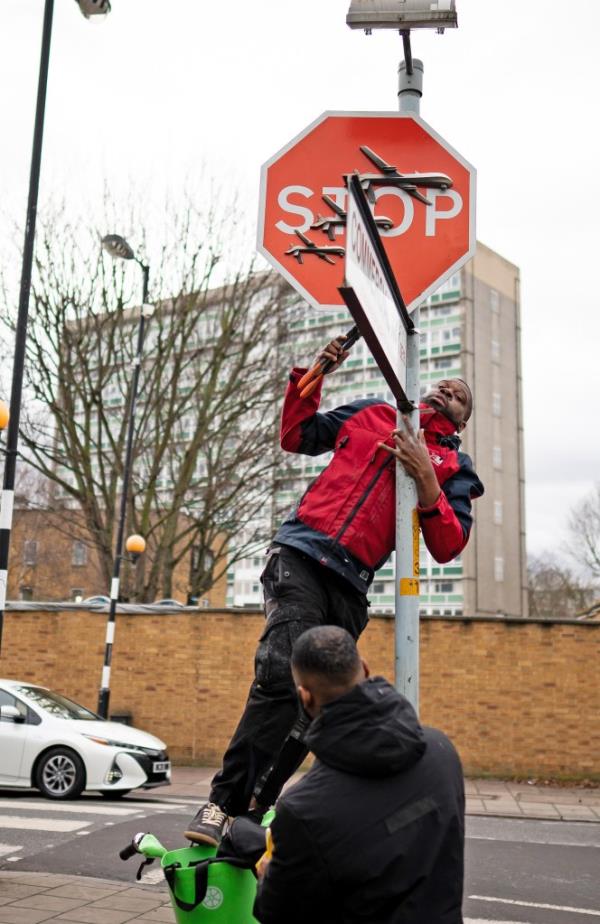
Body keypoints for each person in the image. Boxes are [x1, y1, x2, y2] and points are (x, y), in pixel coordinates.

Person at [184, 336, 483, 845]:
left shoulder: (456, 466)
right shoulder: (372, 414)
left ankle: (258, 806)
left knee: (316, 703)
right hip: (300, 553)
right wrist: (316, 374)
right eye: (442, 386)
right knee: (282, 669)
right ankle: (220, 804)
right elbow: (296, 434)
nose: (445, 392)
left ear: (461, 420)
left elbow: (448, 543)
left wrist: (425, 477)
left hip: (350, 583)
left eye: (457, 395)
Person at [253, 625, 465, 924]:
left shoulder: (303, 810)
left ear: (304, 697)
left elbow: (277, 913)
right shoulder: (442, 752)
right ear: (364, 669)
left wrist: (268, 873)